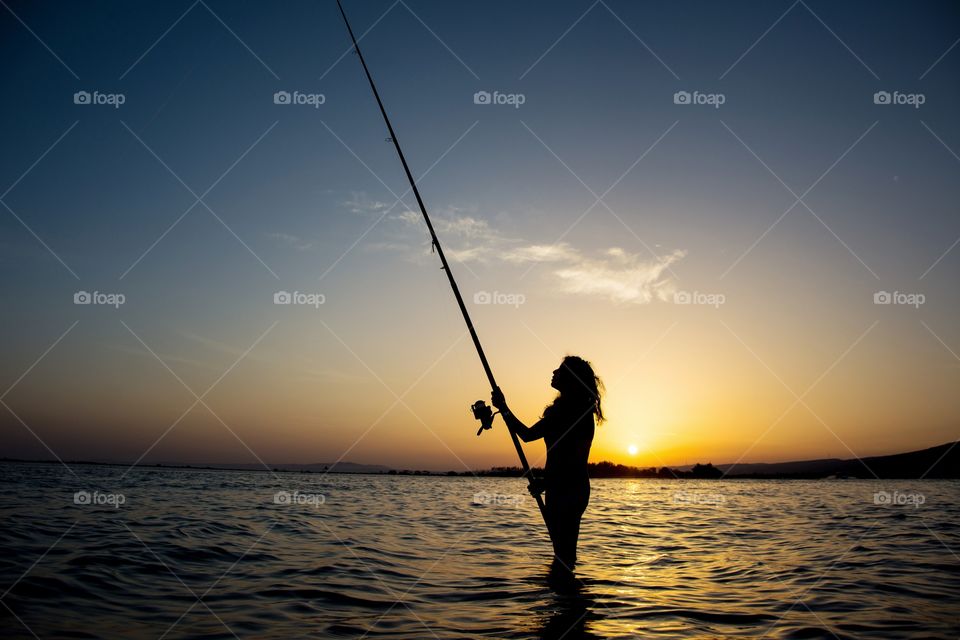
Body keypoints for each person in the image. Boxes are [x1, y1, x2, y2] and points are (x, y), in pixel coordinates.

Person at [491, 355, 604, 574]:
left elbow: (570, 459)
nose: (554, 372)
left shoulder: (572, 413)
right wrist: (503, 408)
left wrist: (504, 408)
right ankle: (565, 599)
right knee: (563, 553)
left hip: (567, 489)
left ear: (570, 379)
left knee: (563, 554)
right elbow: (529, 436)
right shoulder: (569, 411)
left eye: (560, 370)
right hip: (566, 487)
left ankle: (565, 597)